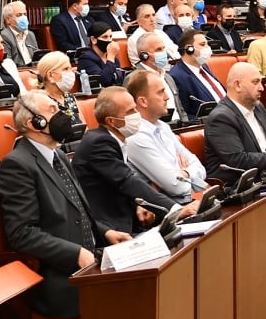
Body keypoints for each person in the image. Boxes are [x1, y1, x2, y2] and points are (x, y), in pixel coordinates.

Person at [0, 90, 128, 319]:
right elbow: (22, 233)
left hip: (89, 260)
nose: (63, 115)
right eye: (53, 110)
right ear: (34, 122)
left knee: (146, 277)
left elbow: (79, 210)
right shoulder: (17, 164)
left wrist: (105, 231)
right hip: (56, 276)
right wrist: (76, 253)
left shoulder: (57, 155)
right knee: (129, 298)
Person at [72, 86, 196, 236]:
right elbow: (126, 181)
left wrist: (139, 204)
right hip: (110, 229)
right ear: (111, 121)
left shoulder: (113, 140)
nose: (137, 115)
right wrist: (175, 210)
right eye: (130, 111)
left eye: (135, 109)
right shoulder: (98, 143)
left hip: (128, 218)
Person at [200, 62, 266, 186]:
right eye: (255, 82)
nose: (261, 88)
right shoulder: (221, 118)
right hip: (239, 187)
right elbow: (238, 160)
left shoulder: (257, 106)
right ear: (238, 85)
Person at [122, 70, 207, 203]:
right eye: (160, 92)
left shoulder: (163, 126)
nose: (167, 97)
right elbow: (175, 187)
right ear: (143, 101)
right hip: (173, 209)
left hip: (192, 199)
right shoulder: (135, 136)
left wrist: (183, 173)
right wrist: (184, 173)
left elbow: (200, 168)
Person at [167, 29, 227, 117]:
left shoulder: (204, 67)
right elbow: (185, 114)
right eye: (202, 44)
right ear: (189, 49)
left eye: (207, 44)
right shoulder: (177, 76)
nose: (207, 48)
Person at [132, 29, 188, 125]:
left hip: (179, 127)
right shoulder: (135, 79)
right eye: (158, 49)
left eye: (163, 48)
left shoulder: (168, 77)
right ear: (144, 55)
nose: (164, 53)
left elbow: (181, 110)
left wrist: (186, 125)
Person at [75, 20, 125, 92]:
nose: (109, 40)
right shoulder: (86, 59)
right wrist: (110, 58)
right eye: (105, 37)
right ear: (93, 39)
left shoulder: (113, 57)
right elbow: (104, 81)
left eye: (110, 37)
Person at [35, 51, 81, 121]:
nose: (71, 73)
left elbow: (84, 125)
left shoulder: (70, 97)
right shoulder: (41, 102)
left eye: (70, 68)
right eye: (66, 69)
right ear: (50, 75)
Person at [0, 1, 39, 67]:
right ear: (8, 20)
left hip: (33, 69)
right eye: (19, 15)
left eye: (25, 14)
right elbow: (8, 64)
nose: (23, 18)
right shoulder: (4, 36)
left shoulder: (30, 34)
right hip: (18, 71)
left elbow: (37, 59)